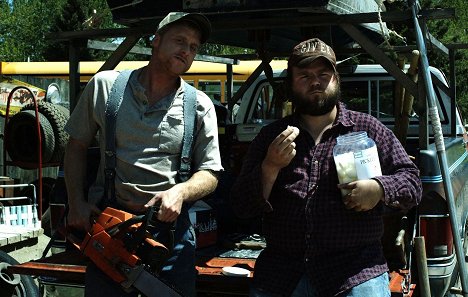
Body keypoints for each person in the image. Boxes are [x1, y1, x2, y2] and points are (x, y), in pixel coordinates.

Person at [230, 38, 422, 297]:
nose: (315, 82)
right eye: (304, 75)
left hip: (355, 270)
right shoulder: (270, 137)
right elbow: (241, 206)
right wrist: (270, 167)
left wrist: (378, 189)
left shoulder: (369, 129)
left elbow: (412, 182)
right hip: (283, 272)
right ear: (291, 83)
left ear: (336, 79)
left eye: (323, 74)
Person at [64, 11, 223, 297]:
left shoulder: (200, 105)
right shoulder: (105, 87)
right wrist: (76, 202)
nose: (187, 51)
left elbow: (211, 173)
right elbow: (75, 146)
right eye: (180, 41)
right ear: (156, 41)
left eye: (194, 47)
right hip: (109, 233)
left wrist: (181, 192)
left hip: (170, 239)